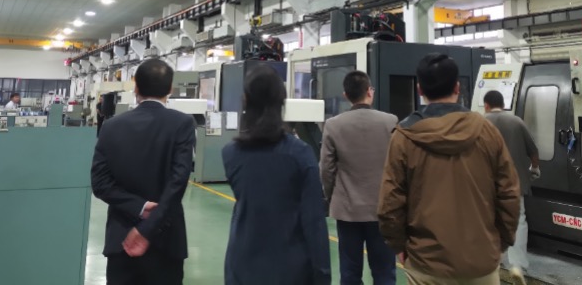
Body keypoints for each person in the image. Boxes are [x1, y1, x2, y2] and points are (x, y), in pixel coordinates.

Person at [378, 54, 520, 285]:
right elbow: (509, 194)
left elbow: (390, 203)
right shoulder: (487, 132)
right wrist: (500, 242)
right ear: (457, 87)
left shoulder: (403, 138)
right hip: (481, 263)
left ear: (420, 89)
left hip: (426, 264)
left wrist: (399, 246)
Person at [223, 64, 331, 285]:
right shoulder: (300, 154)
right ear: (282, 101)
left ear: (245, 100)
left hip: (242, 266)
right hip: (290, 269)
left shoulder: (231, 154)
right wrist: (322, 275)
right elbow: (314, 222)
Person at [91, 58, 195, 285]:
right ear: (170, 89)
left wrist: (139, 206)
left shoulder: (111, 126)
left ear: (136, 87)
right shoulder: (183, 124)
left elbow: (100, 184)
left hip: (122, 239)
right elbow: (178, 182)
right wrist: (149, 227)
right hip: (166, 240)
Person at [320, 70, 397, 285]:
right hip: (382, 209)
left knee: (350, 272)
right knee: (384, 272)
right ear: (369, 91)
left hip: (347, 211)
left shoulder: (333, 125)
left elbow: (326, 169)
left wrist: (331, 197)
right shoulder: (390, 122)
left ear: (346, 95)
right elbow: (398, 166)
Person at [483, 91, 540, 285]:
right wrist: (535, 169)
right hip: (515, 183)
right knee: (518, 221)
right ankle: (517, 266)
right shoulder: (517, 122)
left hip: (488, 184)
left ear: (486, 105)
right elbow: (533, 151)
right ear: (503, 104)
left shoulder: (480, 123)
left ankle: (494, 262)